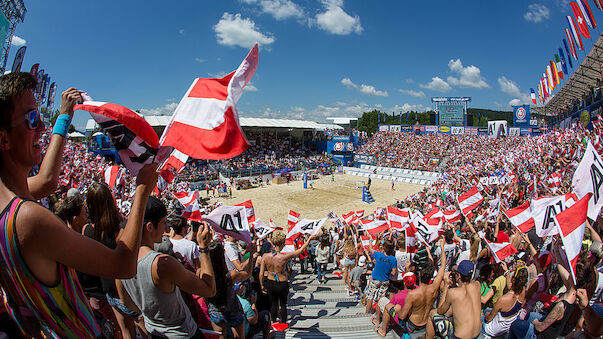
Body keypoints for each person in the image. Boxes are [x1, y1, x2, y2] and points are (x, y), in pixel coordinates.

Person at [0, 73, 157, 338]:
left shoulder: (8, 200)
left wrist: (63, 117)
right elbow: (123, 265)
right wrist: (142, 189)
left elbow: (48, 181)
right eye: (32, 119)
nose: (41, 128)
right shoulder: (28, 218)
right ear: (3, 140)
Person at [120, 197, 216, 338]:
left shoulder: (122, 261)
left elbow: (126, 302)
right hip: (180, 333)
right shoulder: (162, 264)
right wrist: (203, 247)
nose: (167, 229)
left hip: (154, 331)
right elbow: (209, 290)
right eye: (164, 223)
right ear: (150, 227)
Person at [259, 230, 320, 324]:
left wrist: (262, 284)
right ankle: (283, 323)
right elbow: (301, 250)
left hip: (270, 281)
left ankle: (273, 322)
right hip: (282, 282)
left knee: (274, 304)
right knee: (283, 304)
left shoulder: (265, 256)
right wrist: (309, 239)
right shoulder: (284, 257)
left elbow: (261, 273)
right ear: (283, 243)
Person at [397, 239, 446, 336]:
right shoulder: (434, 288)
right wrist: (442, 247)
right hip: (427, 322)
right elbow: (443, 266)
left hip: (413, 325)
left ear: (419, 274)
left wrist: (397, 310)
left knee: (391, 307)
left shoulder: (413, 294)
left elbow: (402, 316)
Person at [426, 260, 482, 339]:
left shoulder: (453, 293)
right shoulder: (477, 285)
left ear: (458, 275)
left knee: (432, 313)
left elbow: (440, 311)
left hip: (460, 337)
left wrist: (446, 285)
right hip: (477, 334)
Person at [482, 265, 528, 338]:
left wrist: (486, 314)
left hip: (491, 330)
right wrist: (507, 272)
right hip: (504, 328)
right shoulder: (522, 292)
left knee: (483, 314)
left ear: (513, 280)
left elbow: (489, 318)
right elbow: (510, 286)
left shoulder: (503, 299)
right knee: (488, 310)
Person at [364, 238, 397, 314]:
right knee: (381, 298)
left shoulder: (378, 255)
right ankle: (378, 315)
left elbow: (370, 249)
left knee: (370, 296)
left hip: (375, 278)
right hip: (385, 280)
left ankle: (367, 312)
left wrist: (370, 241)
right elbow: (394, 272)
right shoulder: (393, 259)